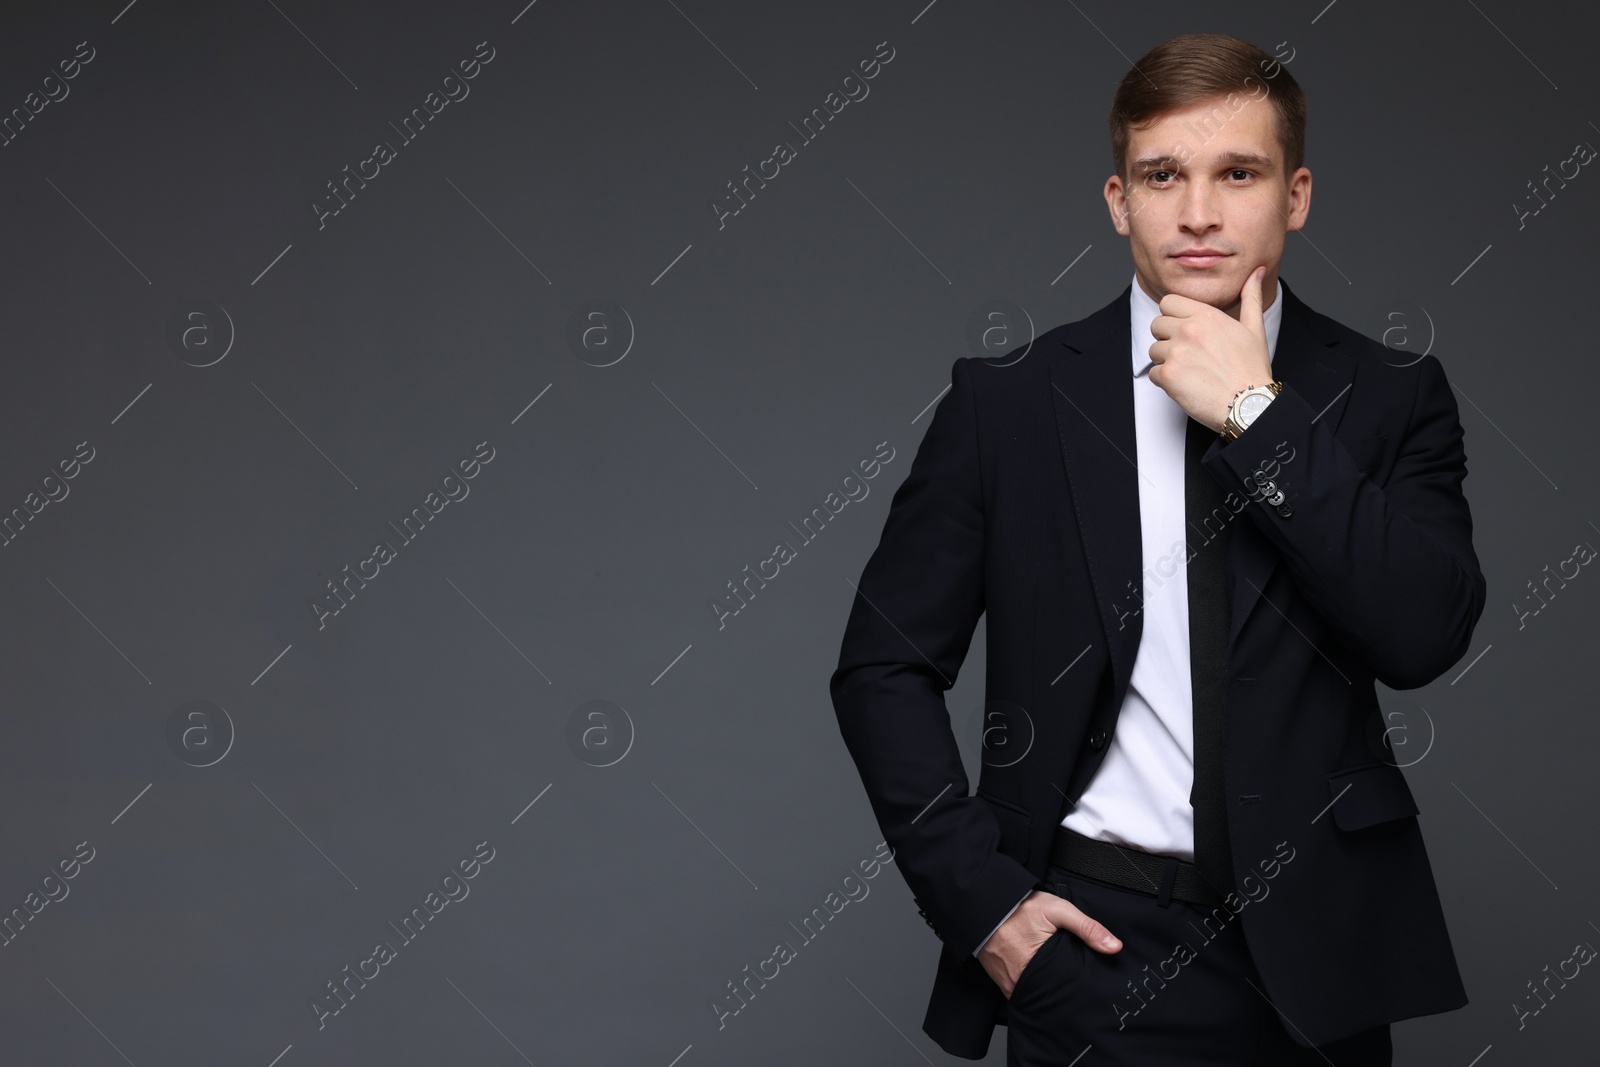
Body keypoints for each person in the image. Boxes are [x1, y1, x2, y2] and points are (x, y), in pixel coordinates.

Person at [829, 32, 1484, 1066]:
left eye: (1237, 173)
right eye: (1161, 175)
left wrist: (1258, 414)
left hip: (1324, 957)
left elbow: (1420, 633)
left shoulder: (1391, 394)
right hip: (1092, 954)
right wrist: (988, 908)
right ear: (1116, 199)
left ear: (1296, 193)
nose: (1197, 212)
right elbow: (881, 668)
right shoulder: (1009, 405)